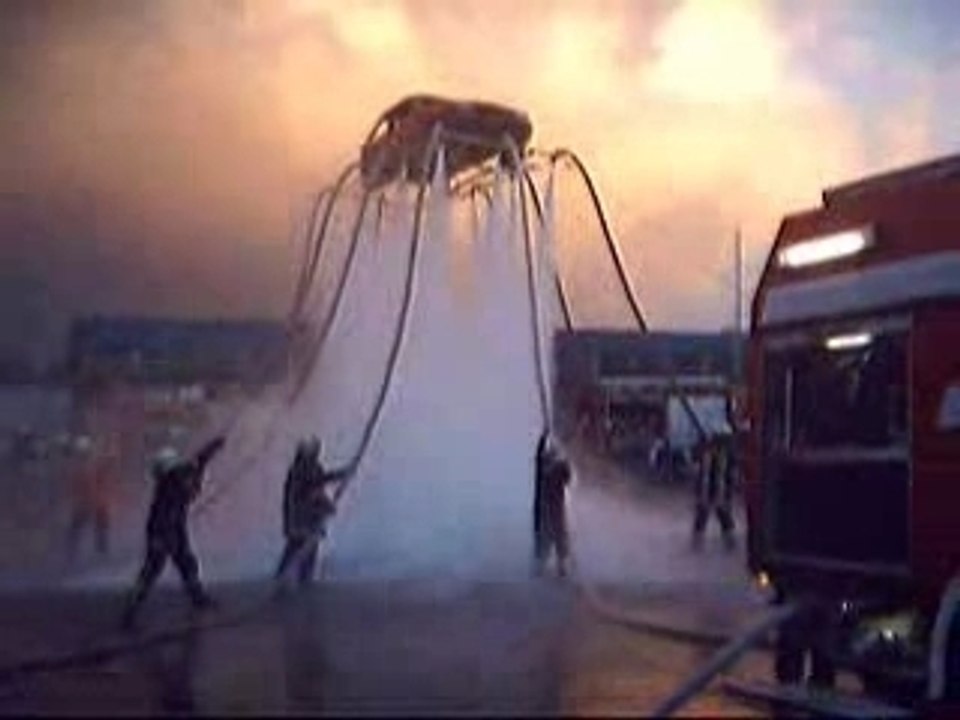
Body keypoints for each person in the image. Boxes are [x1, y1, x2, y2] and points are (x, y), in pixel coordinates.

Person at [121, 436, 226, 630]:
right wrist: (213, 448)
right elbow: (197, 463)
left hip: (173, 527)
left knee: (186, 563)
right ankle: (130, 609)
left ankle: (197, 598)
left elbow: (198, 462)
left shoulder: (172, 479)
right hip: (163, 529)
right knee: (152, 570)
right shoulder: (171, 481)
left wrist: (214, 447)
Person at [274, 437, 349, 592]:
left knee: (307, 549)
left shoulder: (313, 468)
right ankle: (284, 578)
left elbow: (317, 488)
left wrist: (326, 505)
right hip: (300, 518)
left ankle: (303, 579)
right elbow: (311, 490)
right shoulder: (299, 470)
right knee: (297, 547)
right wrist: (327, 505)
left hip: (309, 519)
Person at [65, 434, 117, 560]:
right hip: (89, 503)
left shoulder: (88, 465)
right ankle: (73, 553)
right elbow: (73, 486)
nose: (82, 455)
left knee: (97, 529)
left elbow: (106, 468)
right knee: (79, 529)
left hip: (93, 502)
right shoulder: (80, 466)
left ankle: (99, 552)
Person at [533, 430, 572, 578]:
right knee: (547, 540)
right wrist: (544, 437)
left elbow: (568, 477)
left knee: (558, 539)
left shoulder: (558, 468)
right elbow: (539, 456)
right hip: (547, 510)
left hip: (554, 510)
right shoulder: (546, 468)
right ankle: (545, 568)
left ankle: (560, 568)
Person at [691, 429, 737, 551]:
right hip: (706, 487)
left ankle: (729, 539)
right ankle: (698, 540)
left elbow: (731, 473)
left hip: (719, 487)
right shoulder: (703, 453)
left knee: (722, 512)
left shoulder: (726, 454)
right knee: (703, 512)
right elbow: (696, 468)